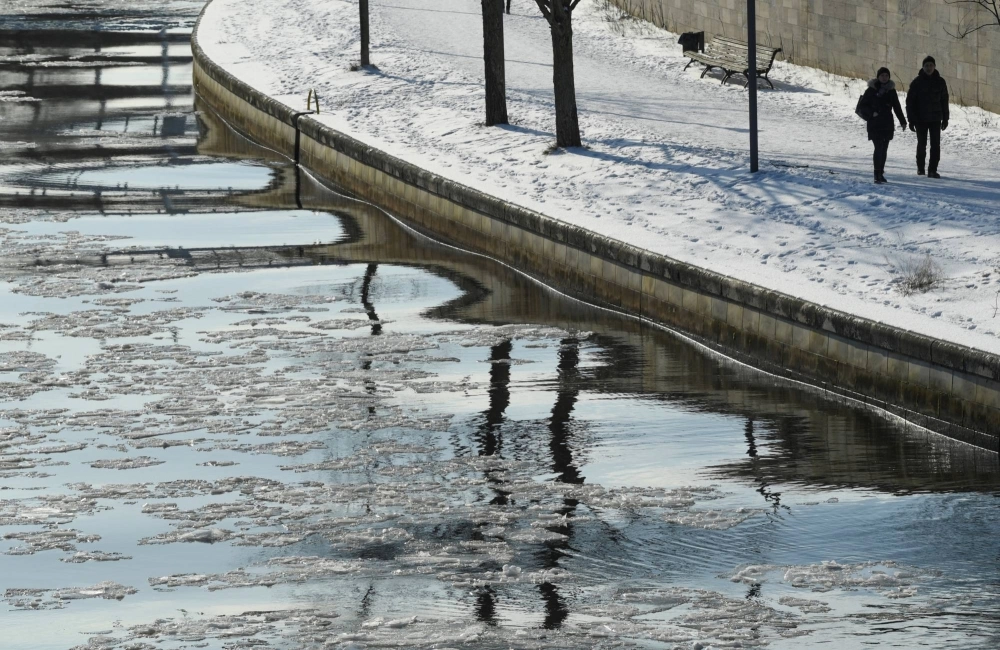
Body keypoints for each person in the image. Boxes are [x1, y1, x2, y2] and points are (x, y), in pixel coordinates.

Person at [905, 55, 949, 178]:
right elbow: (910, 102)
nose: (929, 68)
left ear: (934, 66)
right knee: (921, 144)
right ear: (922, 67)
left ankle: (932, 169)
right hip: (920, 119)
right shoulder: (917, 82)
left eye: (931, 65)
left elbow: (944, 100)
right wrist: (911, 119)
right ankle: (920, 168)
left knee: (935, 145)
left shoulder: (940, 82)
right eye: (926, 66)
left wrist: (945, 118)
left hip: (935, 119)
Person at [861, 67, 906, 184]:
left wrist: (902, 121)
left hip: (887, 123)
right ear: (878, 77)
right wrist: (872, 113)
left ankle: (881, 172)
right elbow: (862, 106)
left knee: (884, 148)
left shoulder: (891, 91)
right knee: (878, 147)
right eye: (882, 75)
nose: (884, 77)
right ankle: (876, 173)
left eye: (886, 75)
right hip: (875, 123)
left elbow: (897, 107)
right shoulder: (871, 90)